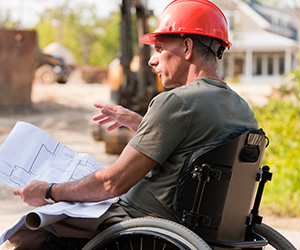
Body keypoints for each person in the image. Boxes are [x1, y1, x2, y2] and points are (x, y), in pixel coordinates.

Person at [2, 0, 258, 249]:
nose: (152, 60)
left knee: (33, 228)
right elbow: (195, 147)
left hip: (145, 224)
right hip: (203, 229)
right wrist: (144, 124)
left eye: (159, 48)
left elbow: (111, 184)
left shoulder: (176, 103)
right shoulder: (242, 110)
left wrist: (49, 190)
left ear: (188, 47)